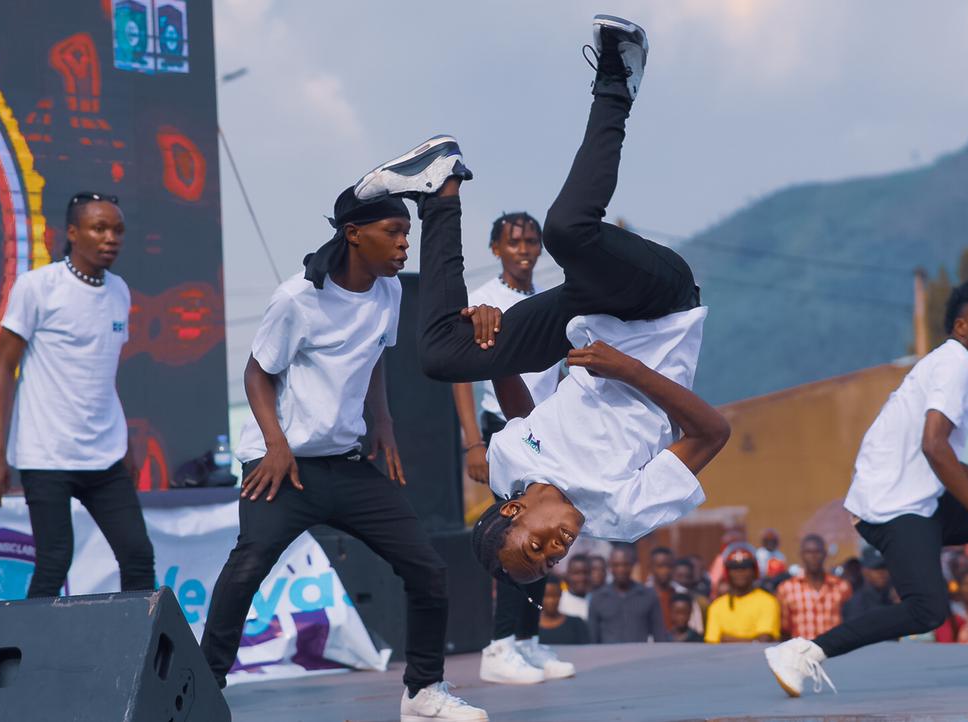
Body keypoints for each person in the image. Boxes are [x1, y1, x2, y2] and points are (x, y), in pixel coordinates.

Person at [350, 14, 729, 583]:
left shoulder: (507, 468)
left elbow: (531, 422)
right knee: (568, 232)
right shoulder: (623, 514)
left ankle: (439, 187)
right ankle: (617, 79)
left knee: (442, 356)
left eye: (536, 548)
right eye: (551, 562)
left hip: (588, 317)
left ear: (513, 510)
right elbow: (711, 433)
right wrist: (627, 370)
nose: (556, 551)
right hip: (658, 305)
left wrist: (493, 346)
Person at [197, 187, 486, 721]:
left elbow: (374, 359)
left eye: (407, 234)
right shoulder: (297, 298)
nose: (404, 245)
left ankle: (422, 692)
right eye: (393, 233)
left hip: (346, 464)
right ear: (354, 235)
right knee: (247, 568)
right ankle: (200, 690)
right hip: (281, 466)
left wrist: (384, 424)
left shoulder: (389, 291)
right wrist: (276, 445)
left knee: (427, 569)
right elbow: (257, 373)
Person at [766, 278, 968, 698]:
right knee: (927, 610)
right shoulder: (955, 364)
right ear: (962, 327)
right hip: (892, 508)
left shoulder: (954, 364)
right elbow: (934, 446)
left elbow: (948, 460)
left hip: (920, 500)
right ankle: (804, 652)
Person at [0, 192, 155, 598]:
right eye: (100, 228)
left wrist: (125, 444)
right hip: (46, 454)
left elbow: (102, 373)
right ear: (73, 233)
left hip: (105, 454)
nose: (111, 238)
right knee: (54, 561)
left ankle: (133, 641)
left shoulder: (119, 291)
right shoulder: (38, 287)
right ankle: (30, 643)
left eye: (118, 230)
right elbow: (4, 369)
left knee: (138, 557)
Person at [449, 212, 571, 685]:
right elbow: (463, 375)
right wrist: (473, 442)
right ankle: (500, 646)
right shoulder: (485, 300)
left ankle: (526, 640)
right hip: (502, 427)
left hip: (546, 428)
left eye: (532, 241)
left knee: (545, 531)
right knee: (513, 535)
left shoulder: (547, 300)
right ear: (496, 248)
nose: (524, 250)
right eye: (514, 242)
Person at [775, 534, 852, 640]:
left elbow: (848, 622)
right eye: (808, 552)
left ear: (825, 554)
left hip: (833, 648)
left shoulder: (841, 587)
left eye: (817, 552)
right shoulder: (786, 588)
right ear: (801, 555)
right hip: (801, 649)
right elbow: (784, 629)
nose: (813, 557)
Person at [588, 546, 668, 643]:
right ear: (610, 567)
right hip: (608, 652)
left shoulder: (648, 595)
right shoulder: (598, 598)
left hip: (640, 652)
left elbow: (659, 635)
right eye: (616, 565)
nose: (621, 569)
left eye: (625, 564)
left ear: (632, 565)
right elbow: (593, 638)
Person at [704, 544, 781, 644]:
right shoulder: (716, 606)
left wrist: (725, 639)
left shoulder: (768, 602)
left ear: (754, 571)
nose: (739, 572)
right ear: (727, 573)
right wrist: (752, 640)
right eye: (734, 568)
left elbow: (763, 641)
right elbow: (712, 644)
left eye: (745, 567)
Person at [842, 546, 897, 622]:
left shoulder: (895, 597)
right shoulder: (856, 604)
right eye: (876, 568)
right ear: (864, 571)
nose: (881, 573)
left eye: (885, 567)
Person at [538, 577, 591, 646]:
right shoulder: (530, 626)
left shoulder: (576, 624)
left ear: (560, 595)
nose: (551, 601)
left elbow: (586, 650)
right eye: (546, 596)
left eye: (555, 595)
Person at [648, 546, 677, 632]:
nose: (665, 570)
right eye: (660, 566)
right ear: (651, 567)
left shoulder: (680, 595)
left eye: (669, 566)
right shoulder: (641, 597)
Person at [558, 554, 592, 621]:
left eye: (585, 573)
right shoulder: (560, 602)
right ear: (568, 575)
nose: (582, 578)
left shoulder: (596, 600)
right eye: (576, 573)